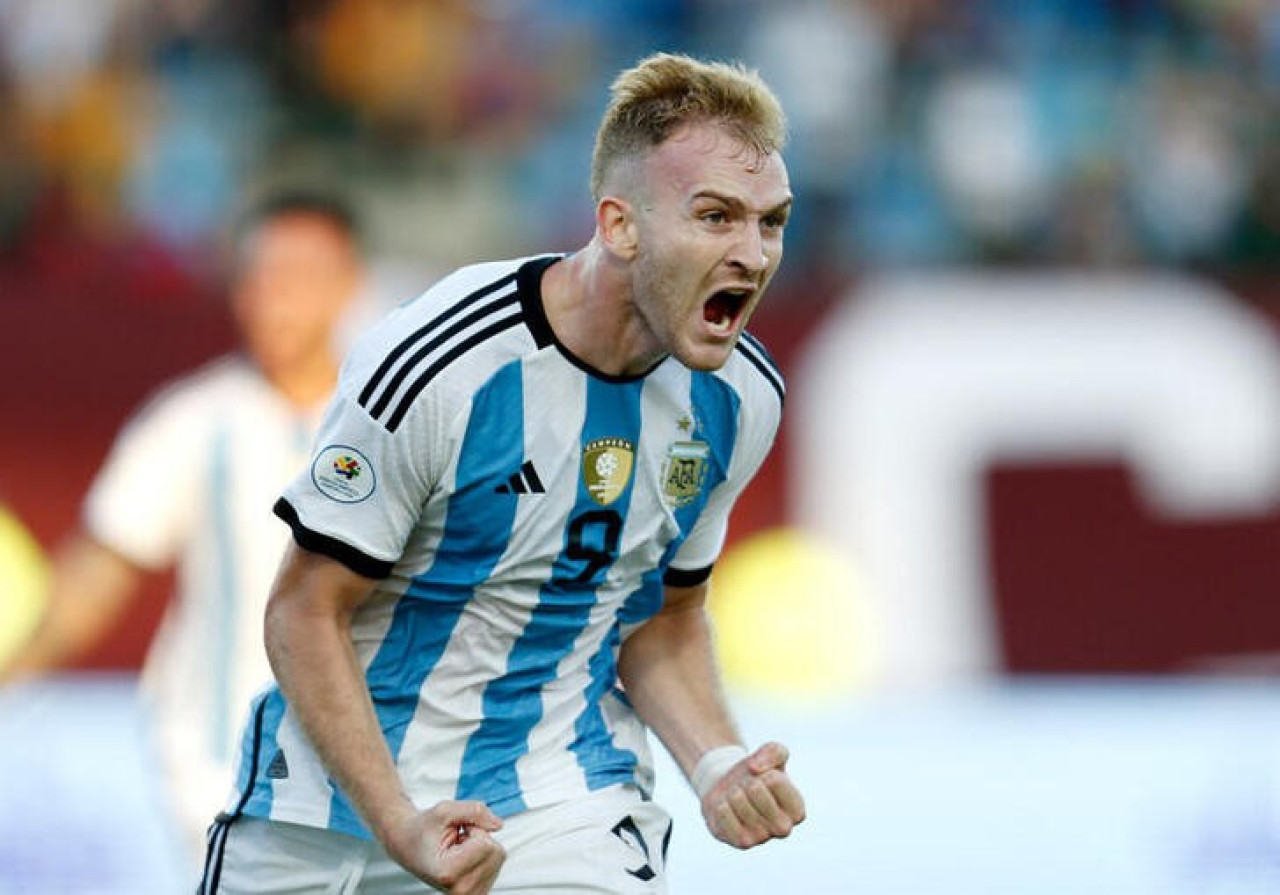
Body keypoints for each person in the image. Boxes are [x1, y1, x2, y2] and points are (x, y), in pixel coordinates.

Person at [202, 52, 806, 895]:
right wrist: (401, 820)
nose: (752, 253)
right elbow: (304, 611)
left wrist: (716, 764)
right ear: (620, 225)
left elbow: (662, 620)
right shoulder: (444, 362)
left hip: (563, 805)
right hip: (329, 816)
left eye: (770, 222)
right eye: (715, 217)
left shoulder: (740, 401)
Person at [1, 189, 367, 859]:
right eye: (258, 277)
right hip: (222, 778)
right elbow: (99, 569)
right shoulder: (194, 419)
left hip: (379, 787)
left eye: (295, 277)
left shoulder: (401, 422)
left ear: (346, 284)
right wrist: (14, 664)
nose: (272, 298)